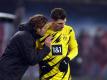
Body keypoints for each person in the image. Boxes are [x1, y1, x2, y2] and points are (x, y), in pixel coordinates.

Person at [0, 14, 51, 80]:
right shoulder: (25, 37)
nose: (45, 30)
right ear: (38, 28)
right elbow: (32, 60)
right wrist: (46, 48)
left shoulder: (28, 35)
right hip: (7, 75)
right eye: (44, 28)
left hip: (9, 73)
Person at [36, 8, 78, 80]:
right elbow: (34, 51)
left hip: (64, 76)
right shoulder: (42, 31)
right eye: (60, 23)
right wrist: (41, 63)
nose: (63, 26)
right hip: (47, 75)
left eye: (64, 22)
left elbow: (75, 49)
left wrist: (67, 59)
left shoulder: (69, 30)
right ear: (53, 21)